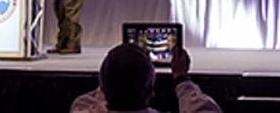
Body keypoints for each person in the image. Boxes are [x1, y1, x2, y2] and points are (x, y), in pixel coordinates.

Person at [69, 44, 222, 113]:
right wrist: (181, 78)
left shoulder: (82, 108)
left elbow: (91, 99)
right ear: (151, 91)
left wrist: (116, 70)